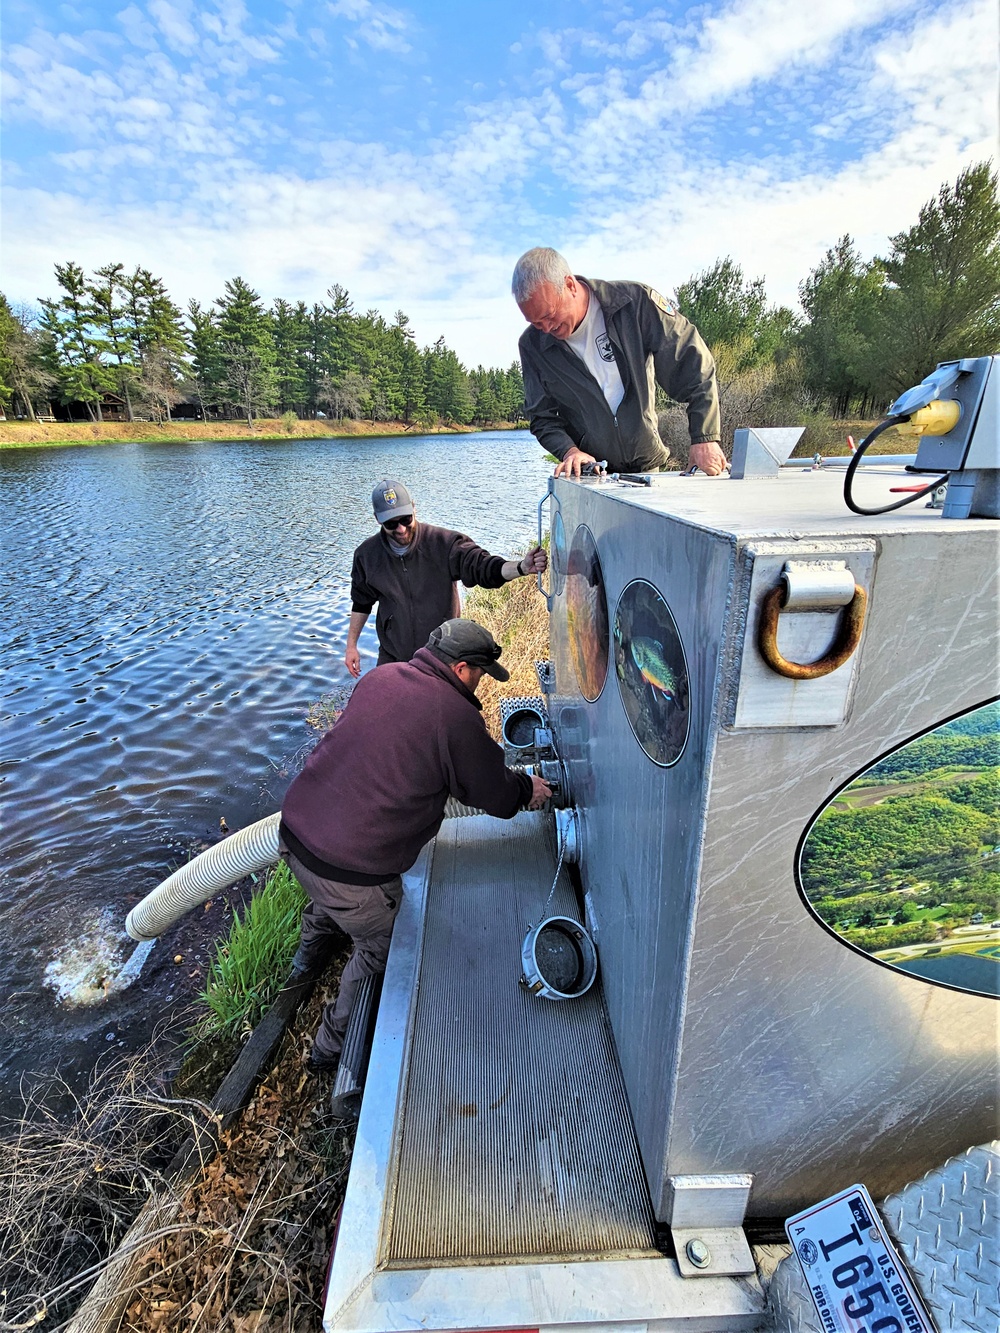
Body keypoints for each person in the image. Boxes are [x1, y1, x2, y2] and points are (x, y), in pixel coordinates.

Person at [280, 618, 552, 1069]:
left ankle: (304, 962)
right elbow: (493, 793)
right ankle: (328, 1050)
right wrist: (530, 791)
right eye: (481, 674)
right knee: (382, 944)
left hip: (295, 834)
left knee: (327, 893)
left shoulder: (382, 676)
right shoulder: (454, 716)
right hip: (351, 872)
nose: (480, 684)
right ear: (461, 667)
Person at [512, 247, 728, 478]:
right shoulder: (532, 346)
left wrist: (704, 437)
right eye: (535, 323)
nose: (545, 328)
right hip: (590, 475)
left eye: (549, 315)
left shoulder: (634, 303)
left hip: (646, 466)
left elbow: (693, 364)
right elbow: (542, 417)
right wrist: (570, 451)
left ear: (570, 285)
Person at [345, 479, 548, 678]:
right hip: (394, 656)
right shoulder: (367, 555)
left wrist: (521, 567)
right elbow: (361, 603)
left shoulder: (445, 543)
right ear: (377, 519)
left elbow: (483, 567)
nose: (401, 529)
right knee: (392, 707)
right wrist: (351, 646)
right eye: (391, 523)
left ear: (414, 508)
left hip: (442, 656)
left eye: (405, 519)